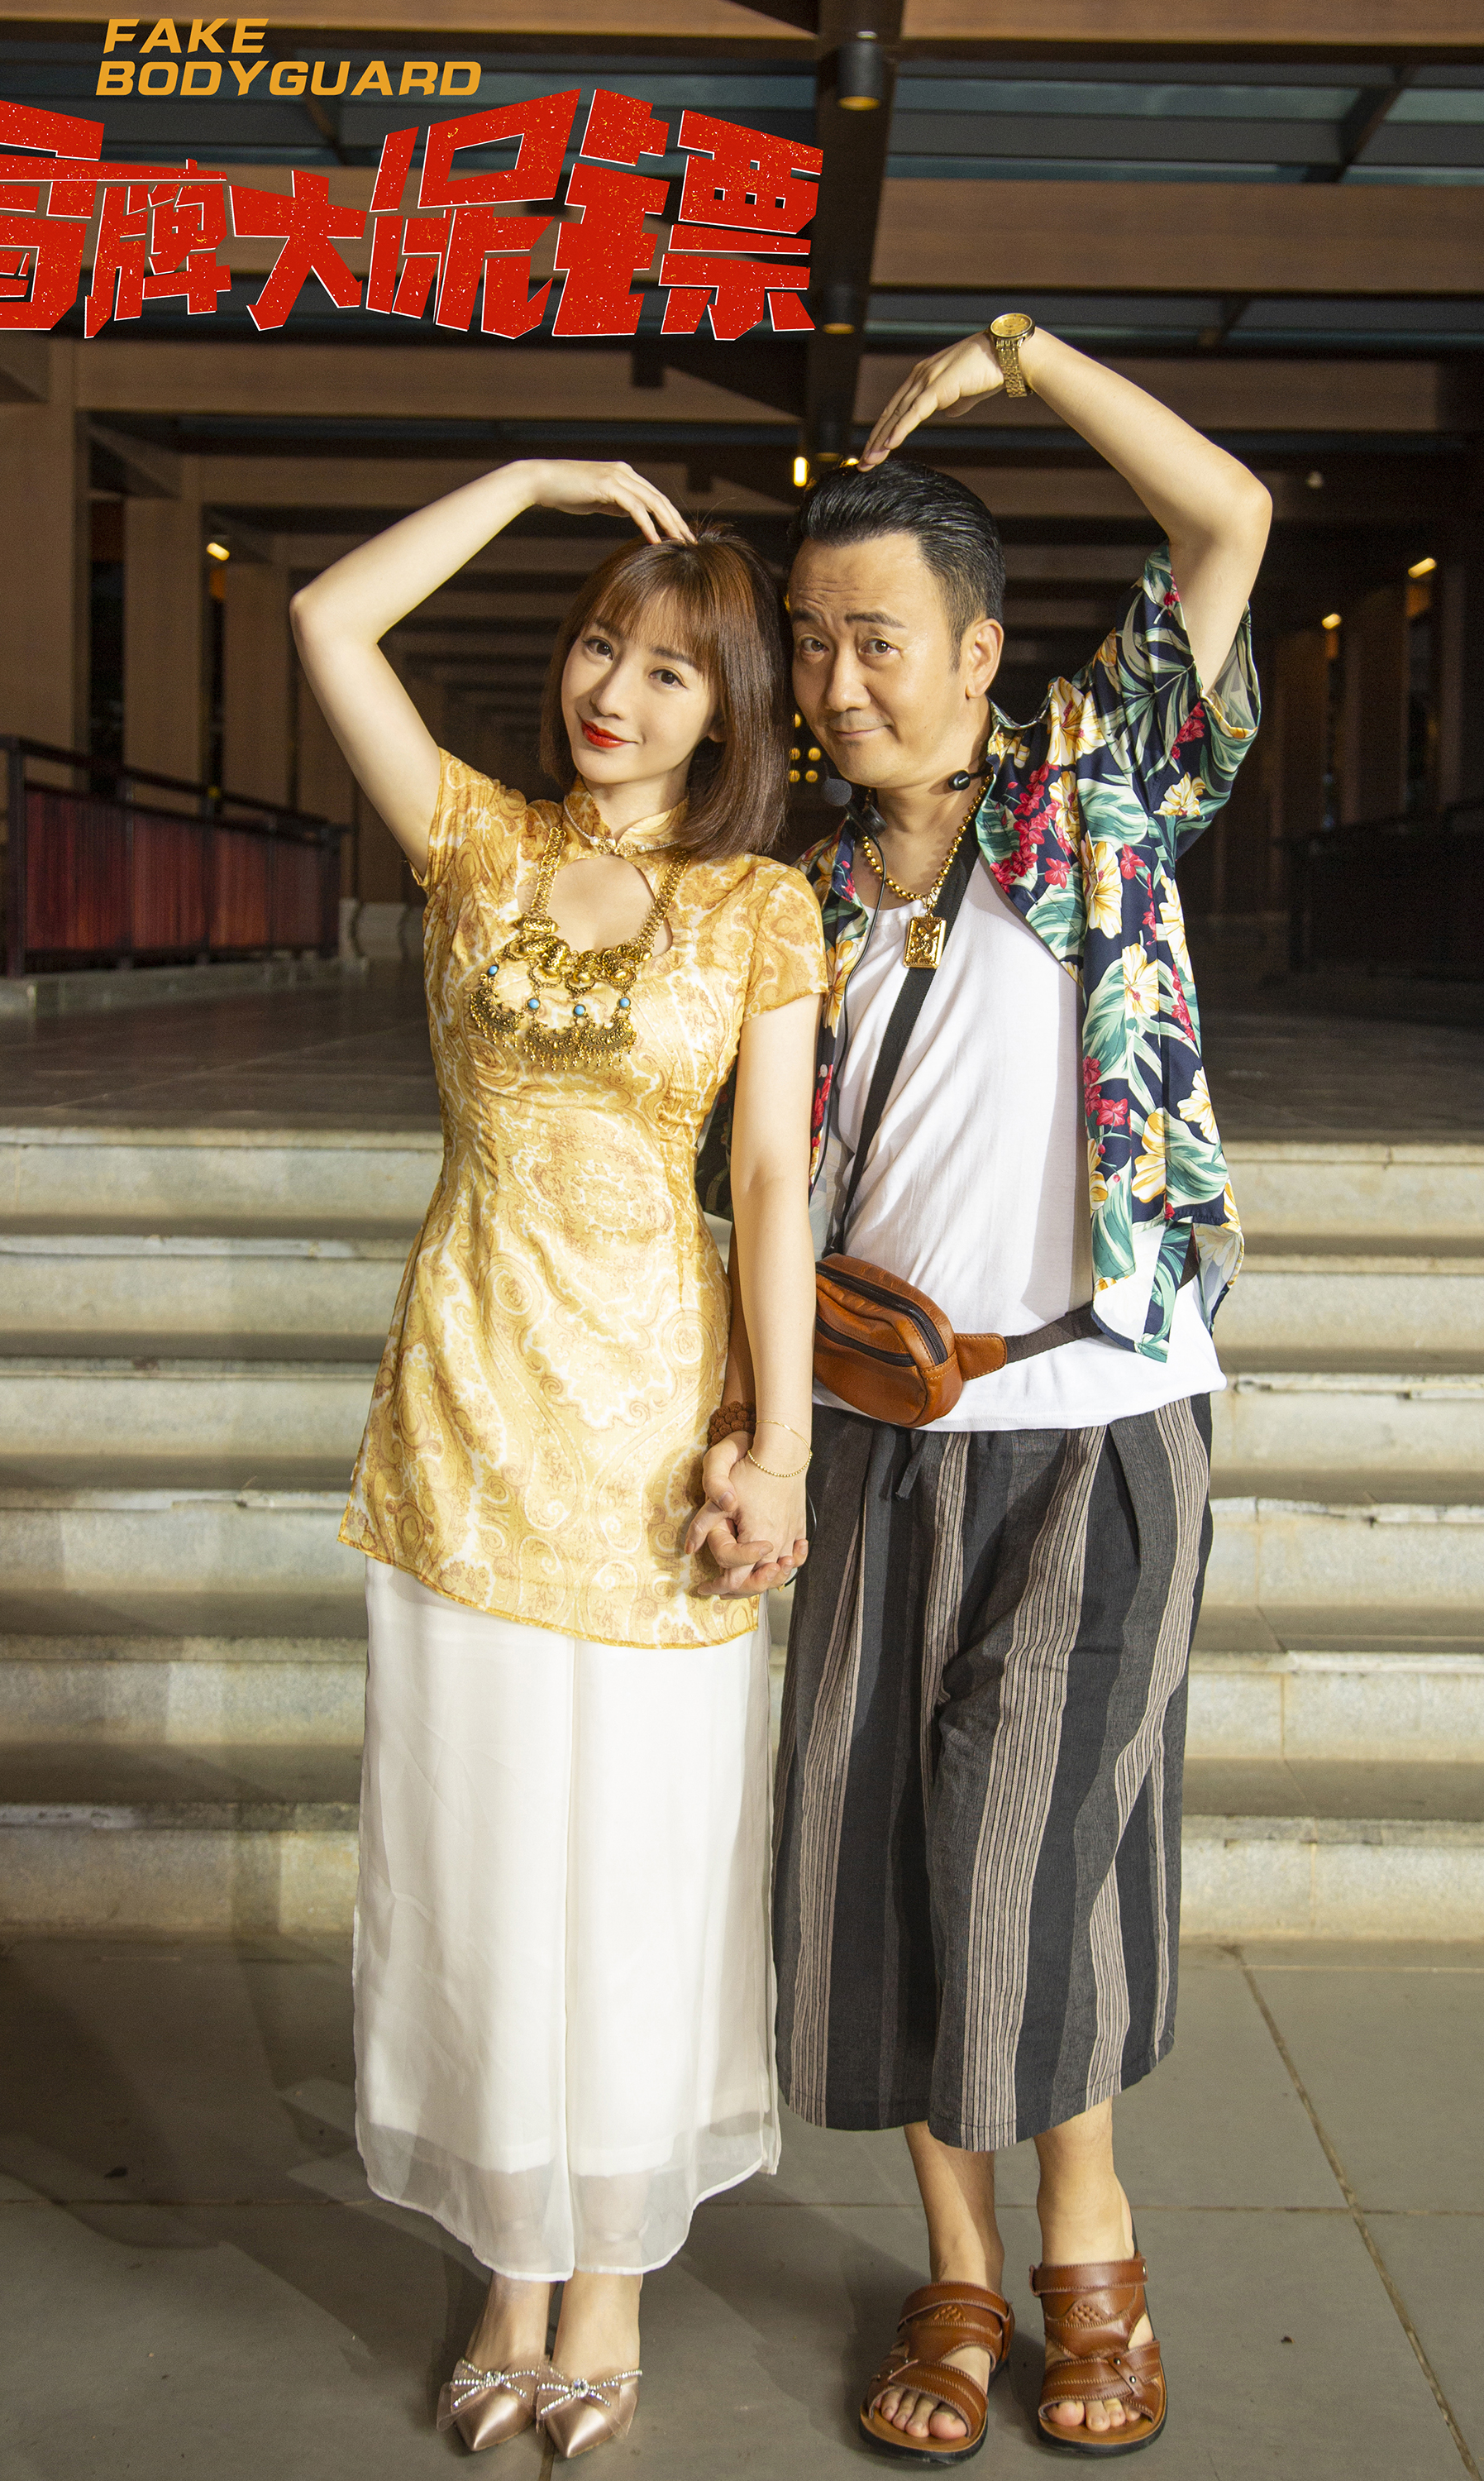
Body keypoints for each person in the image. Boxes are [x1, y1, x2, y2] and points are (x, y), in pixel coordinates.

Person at [692, 323, 1269, 2461]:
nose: (837, 681)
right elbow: (758, 1188)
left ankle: (1087, 2256)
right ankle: (952, 2274)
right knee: (871, 1860)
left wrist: (1022, 358)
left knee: (1024, 1843)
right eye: (809, 641)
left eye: (877, 640)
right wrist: (750, 1425)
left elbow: (1227, 516)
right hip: (873, 1433)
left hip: (1102, 1416)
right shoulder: (793, 901)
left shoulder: (1099, 785)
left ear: (978, 648)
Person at [291, 458, 825, 2461]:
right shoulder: (479, 846)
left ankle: (607, 2275)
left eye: (670, 671)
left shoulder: (756, 908)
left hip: (657, 1442)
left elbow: (768, 1182)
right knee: (481, 1853)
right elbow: (329, 622)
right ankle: (510, 2258)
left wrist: (778, 1445)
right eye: (603, 647)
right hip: (466, 1411)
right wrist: (527, 481)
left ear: (729, 713)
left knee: (641, 1861)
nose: (615, 691)